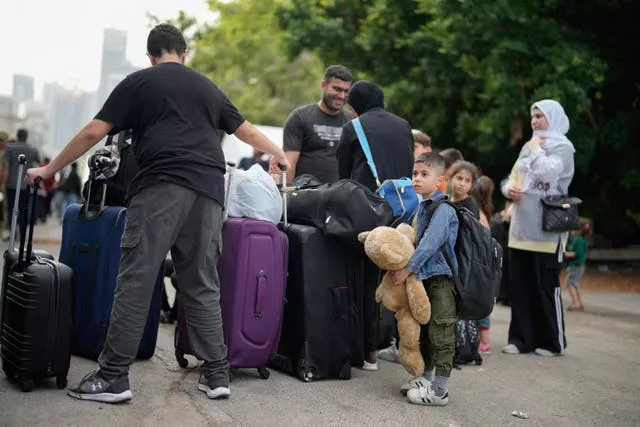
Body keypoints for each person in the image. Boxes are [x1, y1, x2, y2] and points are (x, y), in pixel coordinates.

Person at [26, 23, 290, 403]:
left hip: (162, 186)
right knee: (201, 282)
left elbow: (92, 133)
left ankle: (114, 376)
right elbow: (244, 130)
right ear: (184, 55)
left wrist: (48, 171)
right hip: (211, 191)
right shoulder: (206, 86)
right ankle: (217, 374)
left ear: (150, 56)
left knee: (137, 278)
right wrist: (279, 154)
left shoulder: (139, 83)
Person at [337, 80, 414, 371]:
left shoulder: (353, 127)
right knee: (397, 273)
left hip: (366, 210)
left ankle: (367, 351)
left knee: (365, 279)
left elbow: (343, 179)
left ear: (355, 103)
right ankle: (396, 343)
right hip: (400, 209)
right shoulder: (403, 126)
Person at [501, 99, 575, 357]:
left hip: (547, 231)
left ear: (553, 118)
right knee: (520, 287)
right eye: (532, 116)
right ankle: (521, 340)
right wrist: (508, 189)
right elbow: (512, 177)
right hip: (520, 229)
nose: (534, 121)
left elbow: (548, 173)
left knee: (545, 287)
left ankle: (552, 343)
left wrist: (534, 150)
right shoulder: (529, 145)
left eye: (540, 116)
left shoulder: (563, 148)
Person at [390, 152, 459, 406]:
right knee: (428, 331)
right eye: (415, 174)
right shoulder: (423, 207)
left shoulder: (443, 209)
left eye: (424, 174)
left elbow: (430, 243)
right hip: (425, 278)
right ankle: (427, 379)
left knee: (442, 332)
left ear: (440, 180)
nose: (417, 179)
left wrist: (408, 268)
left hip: (441, 279)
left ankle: (440, 390)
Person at [282, 65, 352, 183]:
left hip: (340, 196)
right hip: (306, 193)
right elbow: (289, 163)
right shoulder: (300, 117)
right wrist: (286, 197)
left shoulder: (352, 122)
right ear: (323, 85)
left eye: (346, 91)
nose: (342, 96)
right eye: (337, 89)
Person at [471, 175, 496, 353]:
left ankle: (484, 340)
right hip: (485, 265)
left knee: (479, 302)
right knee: (481, 302)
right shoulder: (485, 213)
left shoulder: (477, 214)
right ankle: (483, 339)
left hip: (479, 264)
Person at [3, 128, 40, 239]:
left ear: (17, 135)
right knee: (23, 208)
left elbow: (5, 167)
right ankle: (22, 233)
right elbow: (38, 165)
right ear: (26, 136)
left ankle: (13, 233)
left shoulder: (9, 148)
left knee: (11, 208)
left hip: (11, 184)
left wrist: (2, 183)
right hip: (26, 185)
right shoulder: (33, 150)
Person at [563, 220, 590, 311]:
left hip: (576, 265)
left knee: (570, 284)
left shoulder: (578, 240)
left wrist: (564, 253)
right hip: (577, 266)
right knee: (575, 284)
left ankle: (576, 303)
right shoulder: (579, 240)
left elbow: (576, 253)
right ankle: (579, 302)